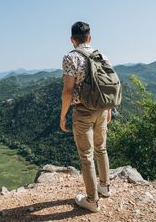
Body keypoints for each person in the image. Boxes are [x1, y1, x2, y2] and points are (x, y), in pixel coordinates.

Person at [60, 21, 112, 212]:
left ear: (72, 40)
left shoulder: (70, 57)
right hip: (102, 109)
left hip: (82, 111)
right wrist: (108, 110)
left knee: (86, 157)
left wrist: (63, 115)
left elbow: (67, 91)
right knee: (101, 149)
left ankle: (91, 200)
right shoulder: (102, 56)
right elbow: (106, 86)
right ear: (89, 37)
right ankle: (105, 187)